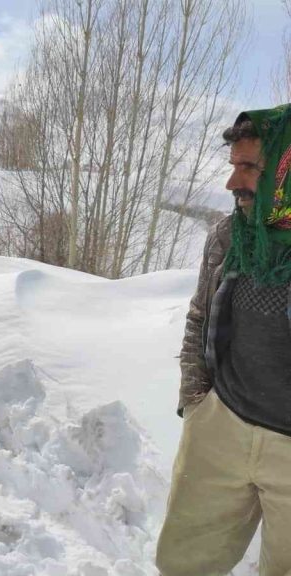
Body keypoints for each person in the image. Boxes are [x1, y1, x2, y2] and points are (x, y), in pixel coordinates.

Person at [157, 105, 291, 576]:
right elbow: (200, 315)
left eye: (249, 167)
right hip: (222, 425)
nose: (233, 183)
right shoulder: (230, 235)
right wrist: (196, 402)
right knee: (182, 564)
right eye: (233, 167)